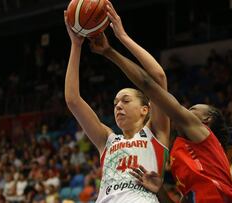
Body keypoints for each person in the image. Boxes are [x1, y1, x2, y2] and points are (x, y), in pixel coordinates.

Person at [93, 2, 232, 202]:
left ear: (206, 121)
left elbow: (151, 82)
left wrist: (114, 46)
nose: (186, 111)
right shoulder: (183, 155)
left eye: (192, 109)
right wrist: (158, 190)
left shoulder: (202, 135)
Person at [63, 1, 170, 202]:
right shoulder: (107, 140)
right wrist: (76, 45)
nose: (118, 106)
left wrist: (122, 37)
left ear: (145, 109)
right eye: (115, 103)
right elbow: (73, 101)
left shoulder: (155, 132)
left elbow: (158, 78)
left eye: (125, 100)